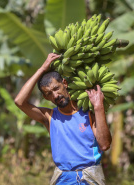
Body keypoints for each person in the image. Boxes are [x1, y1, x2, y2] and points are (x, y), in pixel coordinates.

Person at [14, 53, 112, 185]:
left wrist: (98, 107)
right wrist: (42, 68)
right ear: (46, 98)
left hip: (89, 178)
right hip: (63, 179)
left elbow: (105, 145)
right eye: (49, 93)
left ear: (64, 83)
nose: (55, 95)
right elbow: (19, 102)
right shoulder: (49, 117)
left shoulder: (89, 112)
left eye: (56, 88)